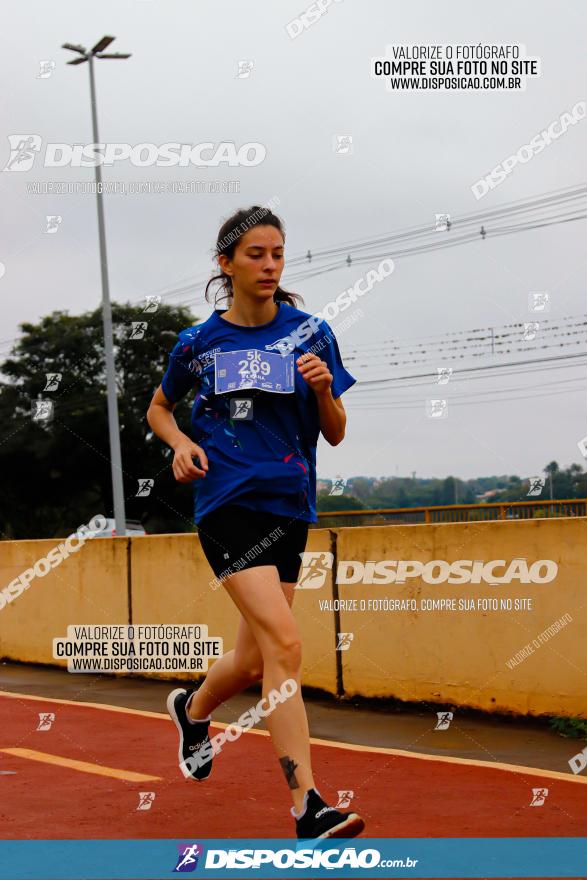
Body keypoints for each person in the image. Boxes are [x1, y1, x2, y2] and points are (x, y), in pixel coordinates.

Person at [146, 205, 364, 839]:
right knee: (287, 646)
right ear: (226, 264)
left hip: (289, 507)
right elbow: (161, 408)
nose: (269, 266)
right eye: (255, 255)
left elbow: (336, 433)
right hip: (226, 505)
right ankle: (307, 805)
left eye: (278, 254)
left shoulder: (312, 334)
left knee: (251, 661)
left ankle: (192, 709)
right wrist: (180, 444)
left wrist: (324, 391)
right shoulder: (199, 342)